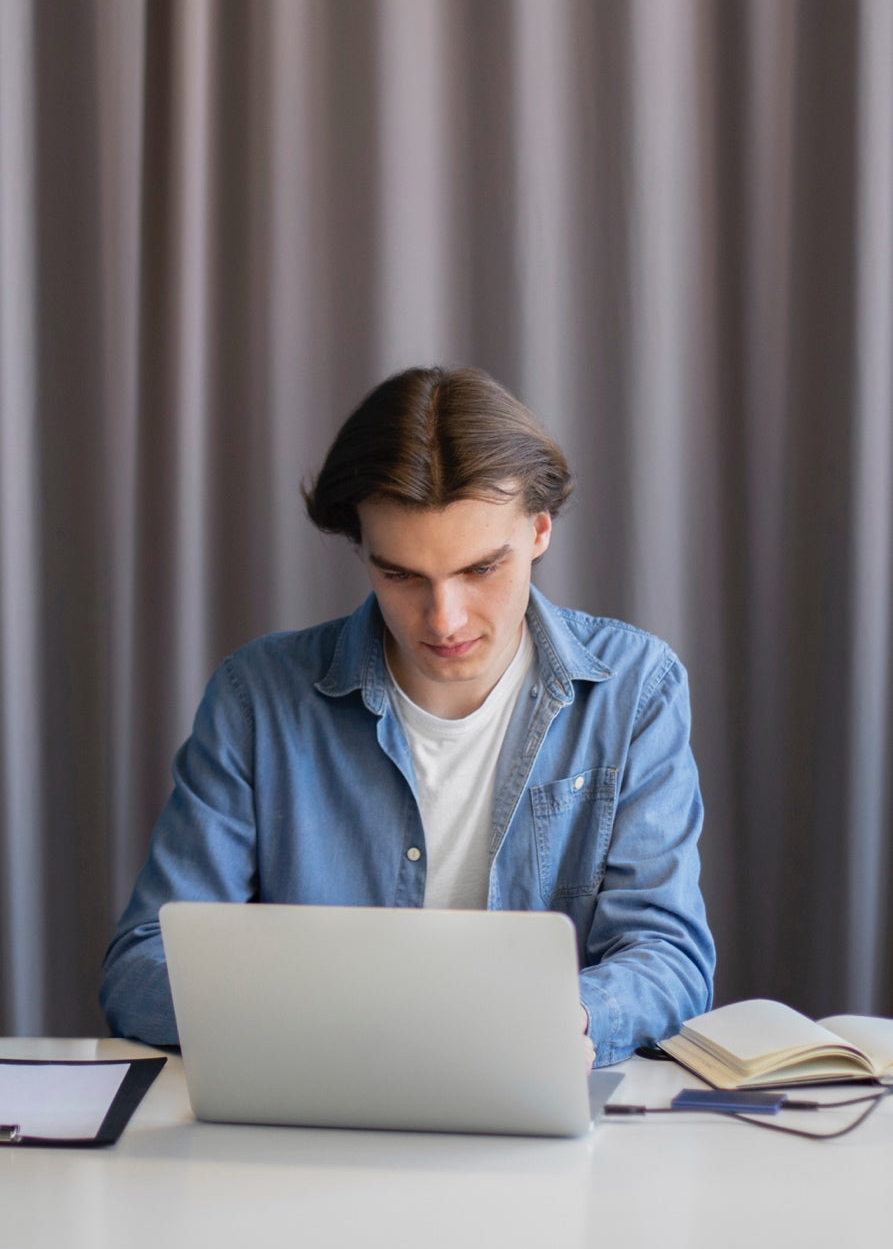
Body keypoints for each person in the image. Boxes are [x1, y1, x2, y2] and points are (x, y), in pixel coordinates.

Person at [100, 365, 715, 1064]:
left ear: (539, 531)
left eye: (481, 569)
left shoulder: (635, 688)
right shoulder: (256, 698)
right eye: (400, 575)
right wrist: (334, 1027)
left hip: (539, 1109)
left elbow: (668, 957)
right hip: (314, 1114)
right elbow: (140, 968)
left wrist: (566, 1025)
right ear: (361, 550)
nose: (444, 619)